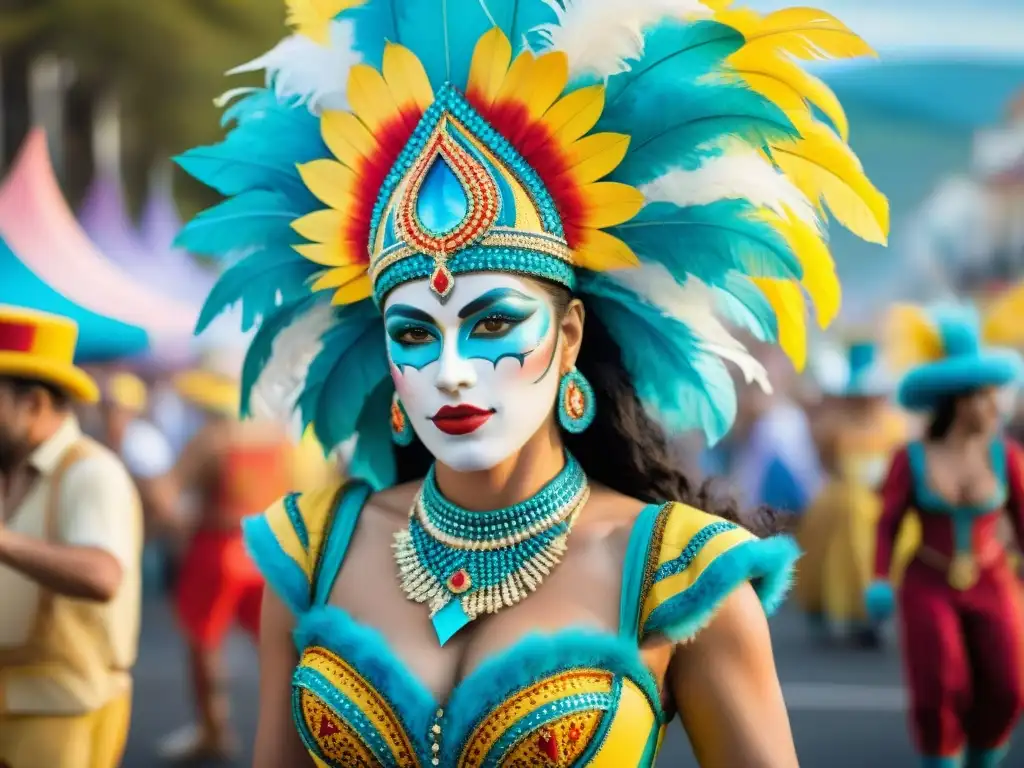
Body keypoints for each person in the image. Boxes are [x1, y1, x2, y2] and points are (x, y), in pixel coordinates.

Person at [176, 0, 885, 764]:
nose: (449, 372)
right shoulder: (312, 553)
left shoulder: (675, 575)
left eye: (492, 326)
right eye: (414, 335)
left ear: (570, 335)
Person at [869, 304, 1024, 768]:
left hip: (993, 577)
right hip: (928, 581)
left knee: (1008, 685)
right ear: (958, 401)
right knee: (939, 685)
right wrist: (879, 579)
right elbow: (888, 523)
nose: (996, 406)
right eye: (985, 396)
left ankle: (983, 758)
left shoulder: (1007, 457)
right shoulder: (910, 457)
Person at [0, 305, 142, 767]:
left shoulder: (90, 472)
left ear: (33, 404)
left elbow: (101, 575)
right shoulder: (14, 470)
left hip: (62, 707)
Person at [154, 354, 296, 761]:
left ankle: (214, 730)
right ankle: (293, 729)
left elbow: (167, 495)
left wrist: (184, 524)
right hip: (267, 551)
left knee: (204, 644)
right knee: (276, 647)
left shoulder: (213, 438)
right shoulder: (276, 436)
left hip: (216, 549)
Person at [796, 339, 912, 647]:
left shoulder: (896, 425)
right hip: (842, 496)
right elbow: (826, 461)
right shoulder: (834, 424)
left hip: (882, 497)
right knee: (839, 527)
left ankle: (874, 610)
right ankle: (834, 606)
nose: (867, 401)